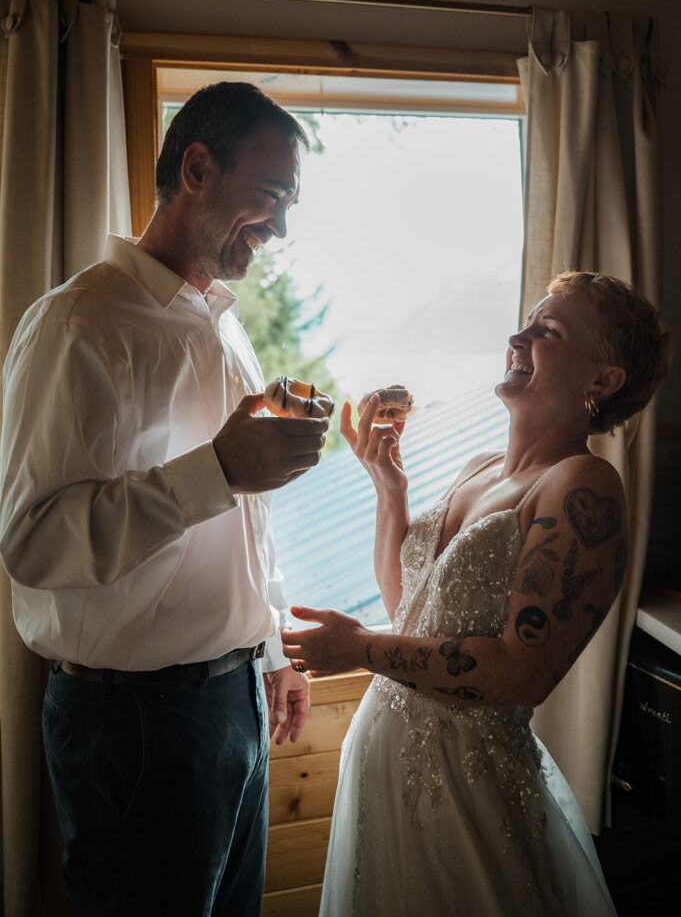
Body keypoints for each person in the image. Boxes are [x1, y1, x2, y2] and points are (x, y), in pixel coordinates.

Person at [0, 82, 329, 917]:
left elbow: (241, 520)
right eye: (272, 196)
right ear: (195, 168)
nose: (281, 226)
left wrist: (273, 650)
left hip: (234, 700)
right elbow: (34, 542)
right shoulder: (77, 326)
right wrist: (217, 469)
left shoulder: (223, 324)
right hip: (132, 723)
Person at [281, 272, 671, 917]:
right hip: (384, 765)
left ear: (603, 381)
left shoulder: (582, 485)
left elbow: (522, 672)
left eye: (548, 331)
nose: (517, 336)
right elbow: (412, 611)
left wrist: (358, 647)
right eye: (528, 321)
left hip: (468, 783)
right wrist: (389, 489)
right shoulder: (478, 468)